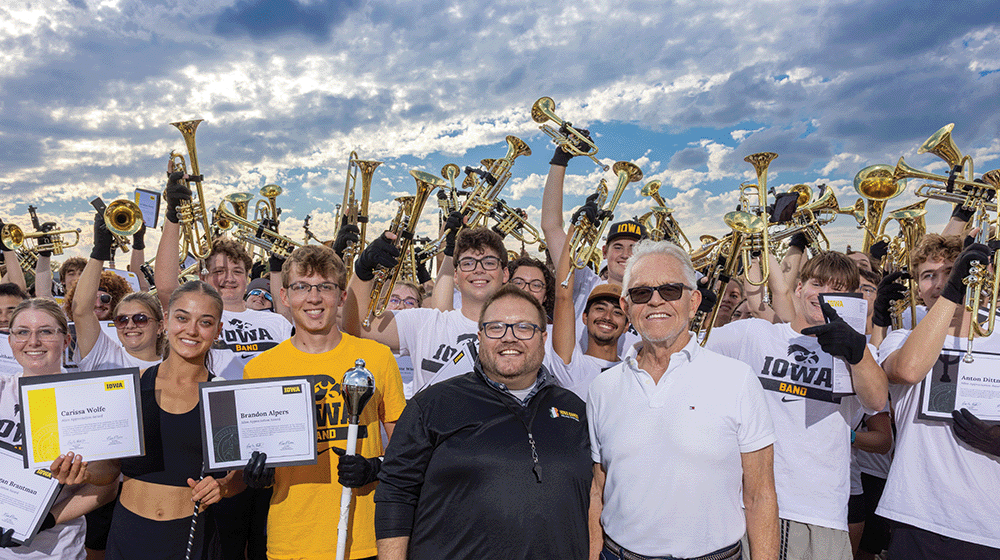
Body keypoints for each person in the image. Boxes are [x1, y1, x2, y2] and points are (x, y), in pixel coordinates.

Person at [589, 240, 778, 560]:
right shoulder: (602, 388)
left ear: (693, 302)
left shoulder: (738, 379)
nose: (655, 301)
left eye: (670, 290)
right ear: (626, 307)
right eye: (641, 293)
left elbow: (761, 496)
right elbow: (599, 490)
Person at [375, 284, 593, 559]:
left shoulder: (574, 409)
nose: (509, 338)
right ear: (480, 336)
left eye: (524, 327)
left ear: (543, 338)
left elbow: (595, 495)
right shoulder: (432, 404)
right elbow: (396, 493)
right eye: (496, 328)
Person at [706, 251, 888, 560]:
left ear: (853, 300)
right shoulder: (755, 334)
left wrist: (857, 354)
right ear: (800, 287)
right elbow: (691, 351)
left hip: (821, 513)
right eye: (818, 283)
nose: (825, 295)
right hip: (747, 505)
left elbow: (877, 400)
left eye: (839, 289)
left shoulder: (859, 351)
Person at [50, 281, 238, 560]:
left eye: (205, 322)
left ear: (218, 330)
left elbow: (236, 477)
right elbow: (112, 470)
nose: (191, 330)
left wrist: (222, 487)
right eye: (182, 318)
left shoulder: (223, 397)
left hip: (189, 538)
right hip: (129, 535)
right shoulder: (132, 389)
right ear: (166, 321)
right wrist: (84, 473)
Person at [242, 244, 405, 560]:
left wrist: (376, 467)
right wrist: (259, 475)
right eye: (302, 287)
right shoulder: (260, 369)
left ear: (342, 297)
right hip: (292, 540)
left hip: (363, 540)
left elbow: (407, 449)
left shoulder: (377, 358)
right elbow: (259, 452)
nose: (313, 298)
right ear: (286, 296)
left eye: (325, 287)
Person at [877, 237, 1000, 559]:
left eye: (951, 271)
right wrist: (953, 294)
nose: (941, 282)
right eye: (929, 275)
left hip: (989, 523)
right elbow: (908, 371)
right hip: (917, 516)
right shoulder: (901, 337)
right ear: (917, 287)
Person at [70, 211, 165, 559]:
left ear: (159, 325)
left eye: (140, 318)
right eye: (122, 319)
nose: (130, 325)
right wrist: (100, 249)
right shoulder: (103, 353)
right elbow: (81, 309)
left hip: (155, 489)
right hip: (102, 486)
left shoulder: (174, 366)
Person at [0, 299, 117, 559]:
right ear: (10, 341)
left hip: (57, 551)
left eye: (46, 331)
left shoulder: (89, 400)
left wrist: (48, 520)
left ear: (66, 340)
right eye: (22, 332)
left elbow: (107, 486)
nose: (33, 341)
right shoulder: (1, 391)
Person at [347, 227, 509, 393]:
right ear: (455, 275)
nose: (478, 269)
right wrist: (363, 271)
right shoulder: (424, 323)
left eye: (489, 262)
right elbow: (360, 327)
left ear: (505, 274)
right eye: (468, 263)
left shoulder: (525, 331)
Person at [549, 226, 629, 400]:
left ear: (626, 326)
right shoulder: (571, 367)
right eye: (600, 308)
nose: (607, 317)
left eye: (617, 312)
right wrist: (575, 231)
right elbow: (563, 296)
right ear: (584, 317)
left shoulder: (635, 371)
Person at [508, 255, 555, 322]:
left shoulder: (555, 330)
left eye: (536, 285)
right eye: (518, 283)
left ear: (545, 296)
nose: (526, 290)